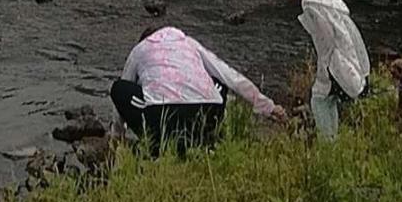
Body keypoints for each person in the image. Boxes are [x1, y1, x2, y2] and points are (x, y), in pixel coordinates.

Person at [110, 24, 286, 153]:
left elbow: (125, 87)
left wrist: (116, 133)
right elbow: (232, 77)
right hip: (207, 115)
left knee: (119, 88)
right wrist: (269, 107)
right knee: (218, 79)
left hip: (164, 118)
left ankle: (155, 145)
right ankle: (205, 139)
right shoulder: (190, 44)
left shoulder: (139, 50)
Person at [275, 0, 370, 139]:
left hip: (339, 67)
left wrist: (325, 77)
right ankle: (334, 142)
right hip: (352, 62)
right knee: (324, 99)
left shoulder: (311, 7)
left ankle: (329, 148)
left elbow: (325, 46)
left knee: (319, 100)